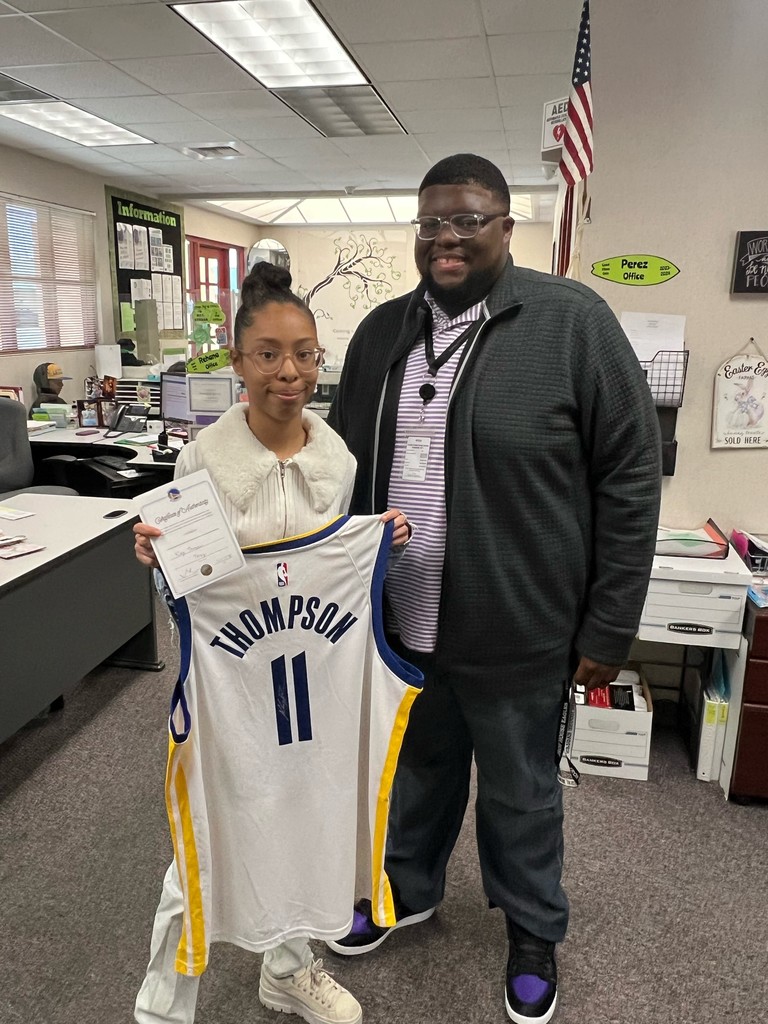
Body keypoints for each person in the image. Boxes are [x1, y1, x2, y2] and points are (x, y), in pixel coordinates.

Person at [325, 154, 662, 1024]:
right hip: (399, 617)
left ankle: (533, 930)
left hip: (520, 623)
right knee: (414, 774)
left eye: (468, 219)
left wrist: (609, 622)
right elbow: (333, 463)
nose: (447, 236)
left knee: (520, 792)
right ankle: (409, 888)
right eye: (432, 221)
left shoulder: (571, 323)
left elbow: (631, 476)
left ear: (506, 228)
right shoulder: (382, 333)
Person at [132, 261, 411, 1024]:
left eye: (306, 354)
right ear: (237, 360)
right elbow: (191, 598)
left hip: (313, 684)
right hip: (230, 686)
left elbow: (334, 572)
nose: (289, 373)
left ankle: (286, 970)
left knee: (302, 823)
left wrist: (376, 543)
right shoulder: (201, 464)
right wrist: (161, 562)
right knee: (205, 843)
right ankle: (163, 1004)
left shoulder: (340, 463)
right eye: (268, 354)